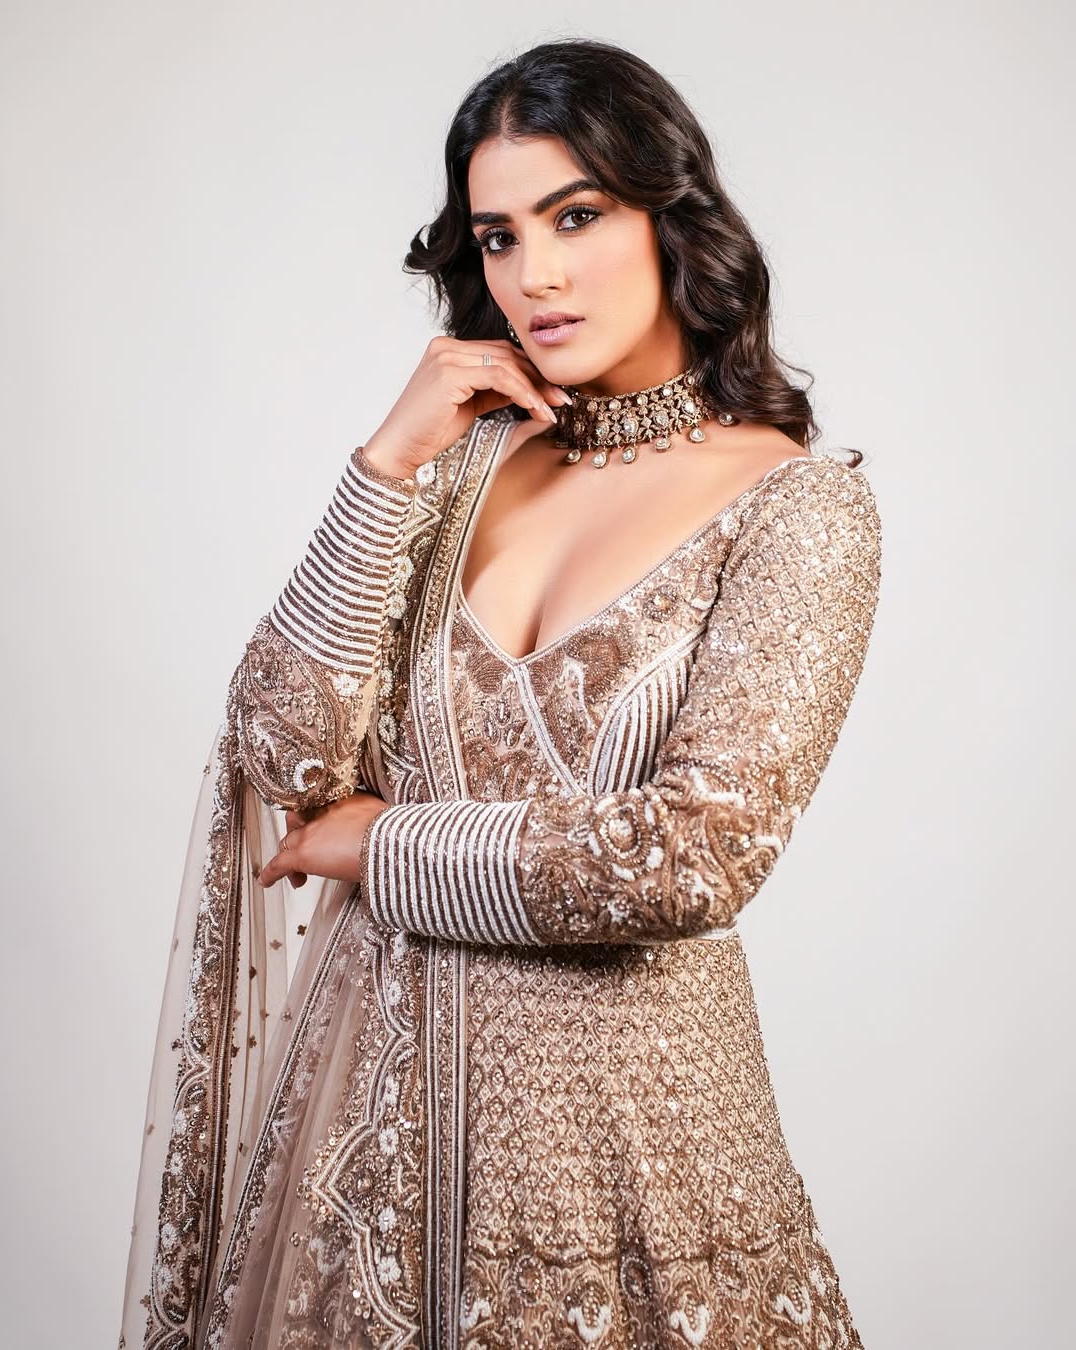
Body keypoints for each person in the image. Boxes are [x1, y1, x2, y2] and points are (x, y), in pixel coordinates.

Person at [119, 36, 881, 1350]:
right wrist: (386, 462)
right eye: (499, 236)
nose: (535, 276)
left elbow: (693, 858)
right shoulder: (460, 464)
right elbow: (284, 756)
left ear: (671, 215)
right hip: (364, 1148)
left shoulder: (798, 510)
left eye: (576, 216)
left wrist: (385, 845)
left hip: (627, 1158)